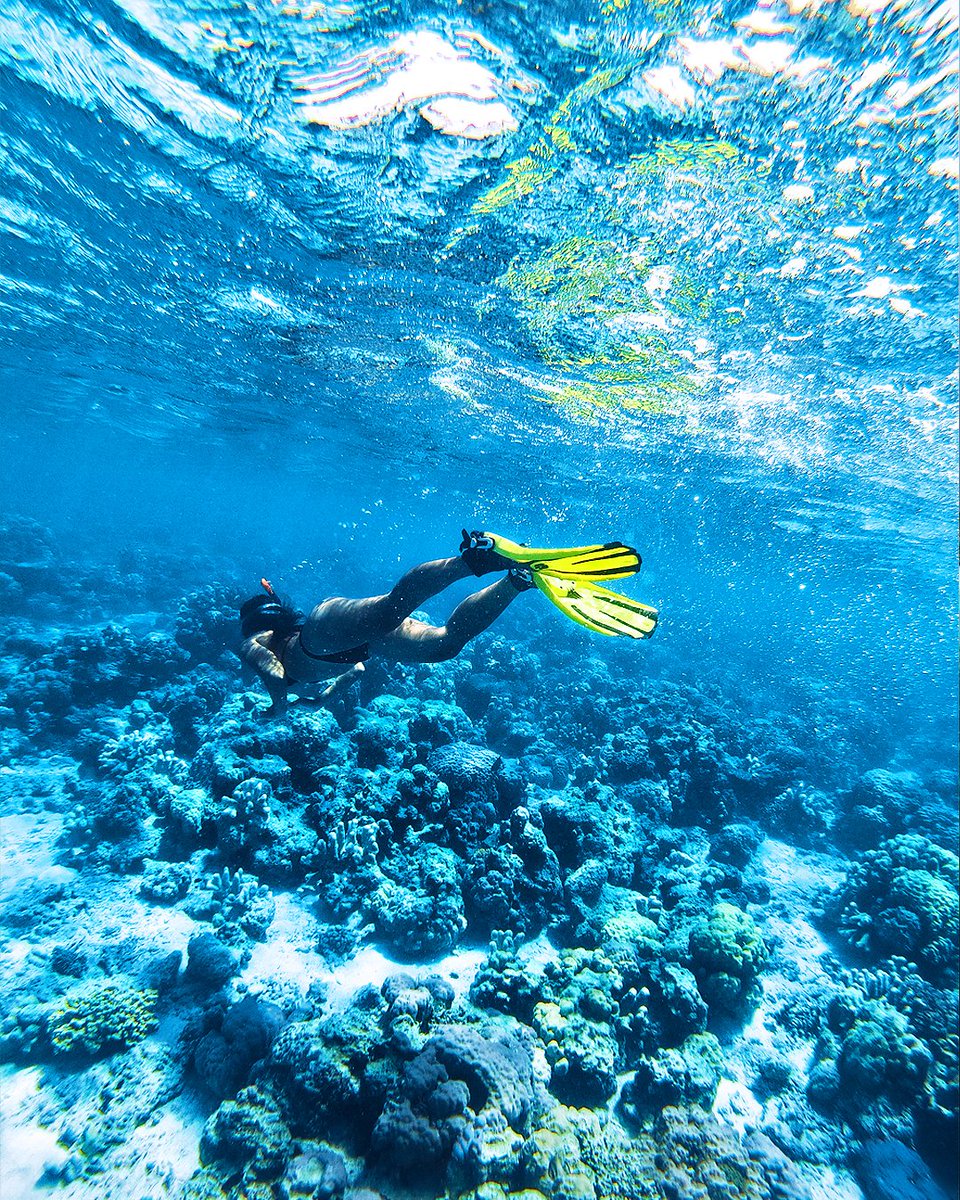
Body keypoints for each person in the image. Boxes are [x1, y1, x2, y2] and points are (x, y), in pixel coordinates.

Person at [238, 530, 657, 715]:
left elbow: (275, 674)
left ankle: (472, 558)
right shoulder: (277, 645)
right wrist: (323, 698)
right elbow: (356, 670)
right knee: (443, 646)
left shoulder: (253, 642)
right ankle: (517, 578)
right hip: (352, 649)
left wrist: (279, 708)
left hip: (321, 634)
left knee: (391, 608)